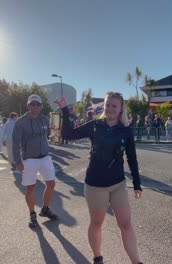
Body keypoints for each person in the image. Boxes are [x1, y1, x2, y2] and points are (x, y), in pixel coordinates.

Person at [56, 92, 144, 264]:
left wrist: (137, 184)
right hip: (95, 185)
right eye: (108, 105)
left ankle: (136, 261)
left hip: (118, 184)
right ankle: (97, 257)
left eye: (114, 105)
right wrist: (65, 111)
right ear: (104, 106)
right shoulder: (94, 126)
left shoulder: (126, 130)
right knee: (97, 223)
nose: (110, 108)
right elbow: (68, 135)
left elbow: (132, 158)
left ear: (120, 109)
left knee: (126, 224)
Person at [12, 94, 58, 228]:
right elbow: (15, 144)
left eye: (38, 104)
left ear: (41, 106)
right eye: (32, 104)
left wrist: (54, 134)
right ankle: (32, 214)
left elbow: (53, 133)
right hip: (29, 160)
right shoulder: (21, 122)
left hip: (45, 157)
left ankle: (45, 209)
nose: (35, 106)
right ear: (28, 106)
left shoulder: (45, 120)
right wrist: (18, 162)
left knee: (51, 184)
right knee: (30, 187)